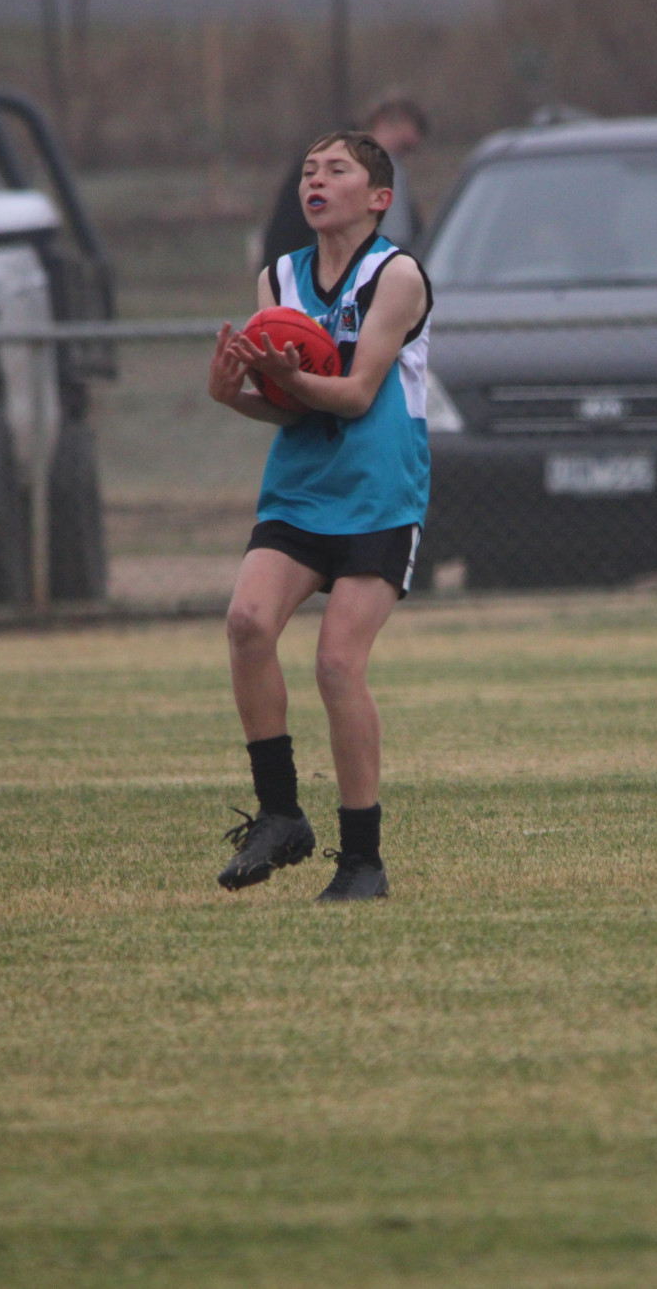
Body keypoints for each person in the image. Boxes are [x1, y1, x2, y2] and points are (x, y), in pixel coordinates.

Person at [208, 130, 433, 902]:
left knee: (338, 663)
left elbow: (358, 393)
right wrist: (234, 393)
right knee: (246, 622)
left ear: (378, 198)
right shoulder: (280, 276)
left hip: (378, 494)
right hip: (302, 490)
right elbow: (288, 409)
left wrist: (289, 379)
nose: (316, 179)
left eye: (337, 169)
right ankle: (279, 814)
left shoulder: (395, 275)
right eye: (308, 169)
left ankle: (362, 859)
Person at [259, 94, 427, 264]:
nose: (402, 158)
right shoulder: (324, 164)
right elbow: (286, 229)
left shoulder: (395, 177)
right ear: (381, 122)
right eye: (403, 147)